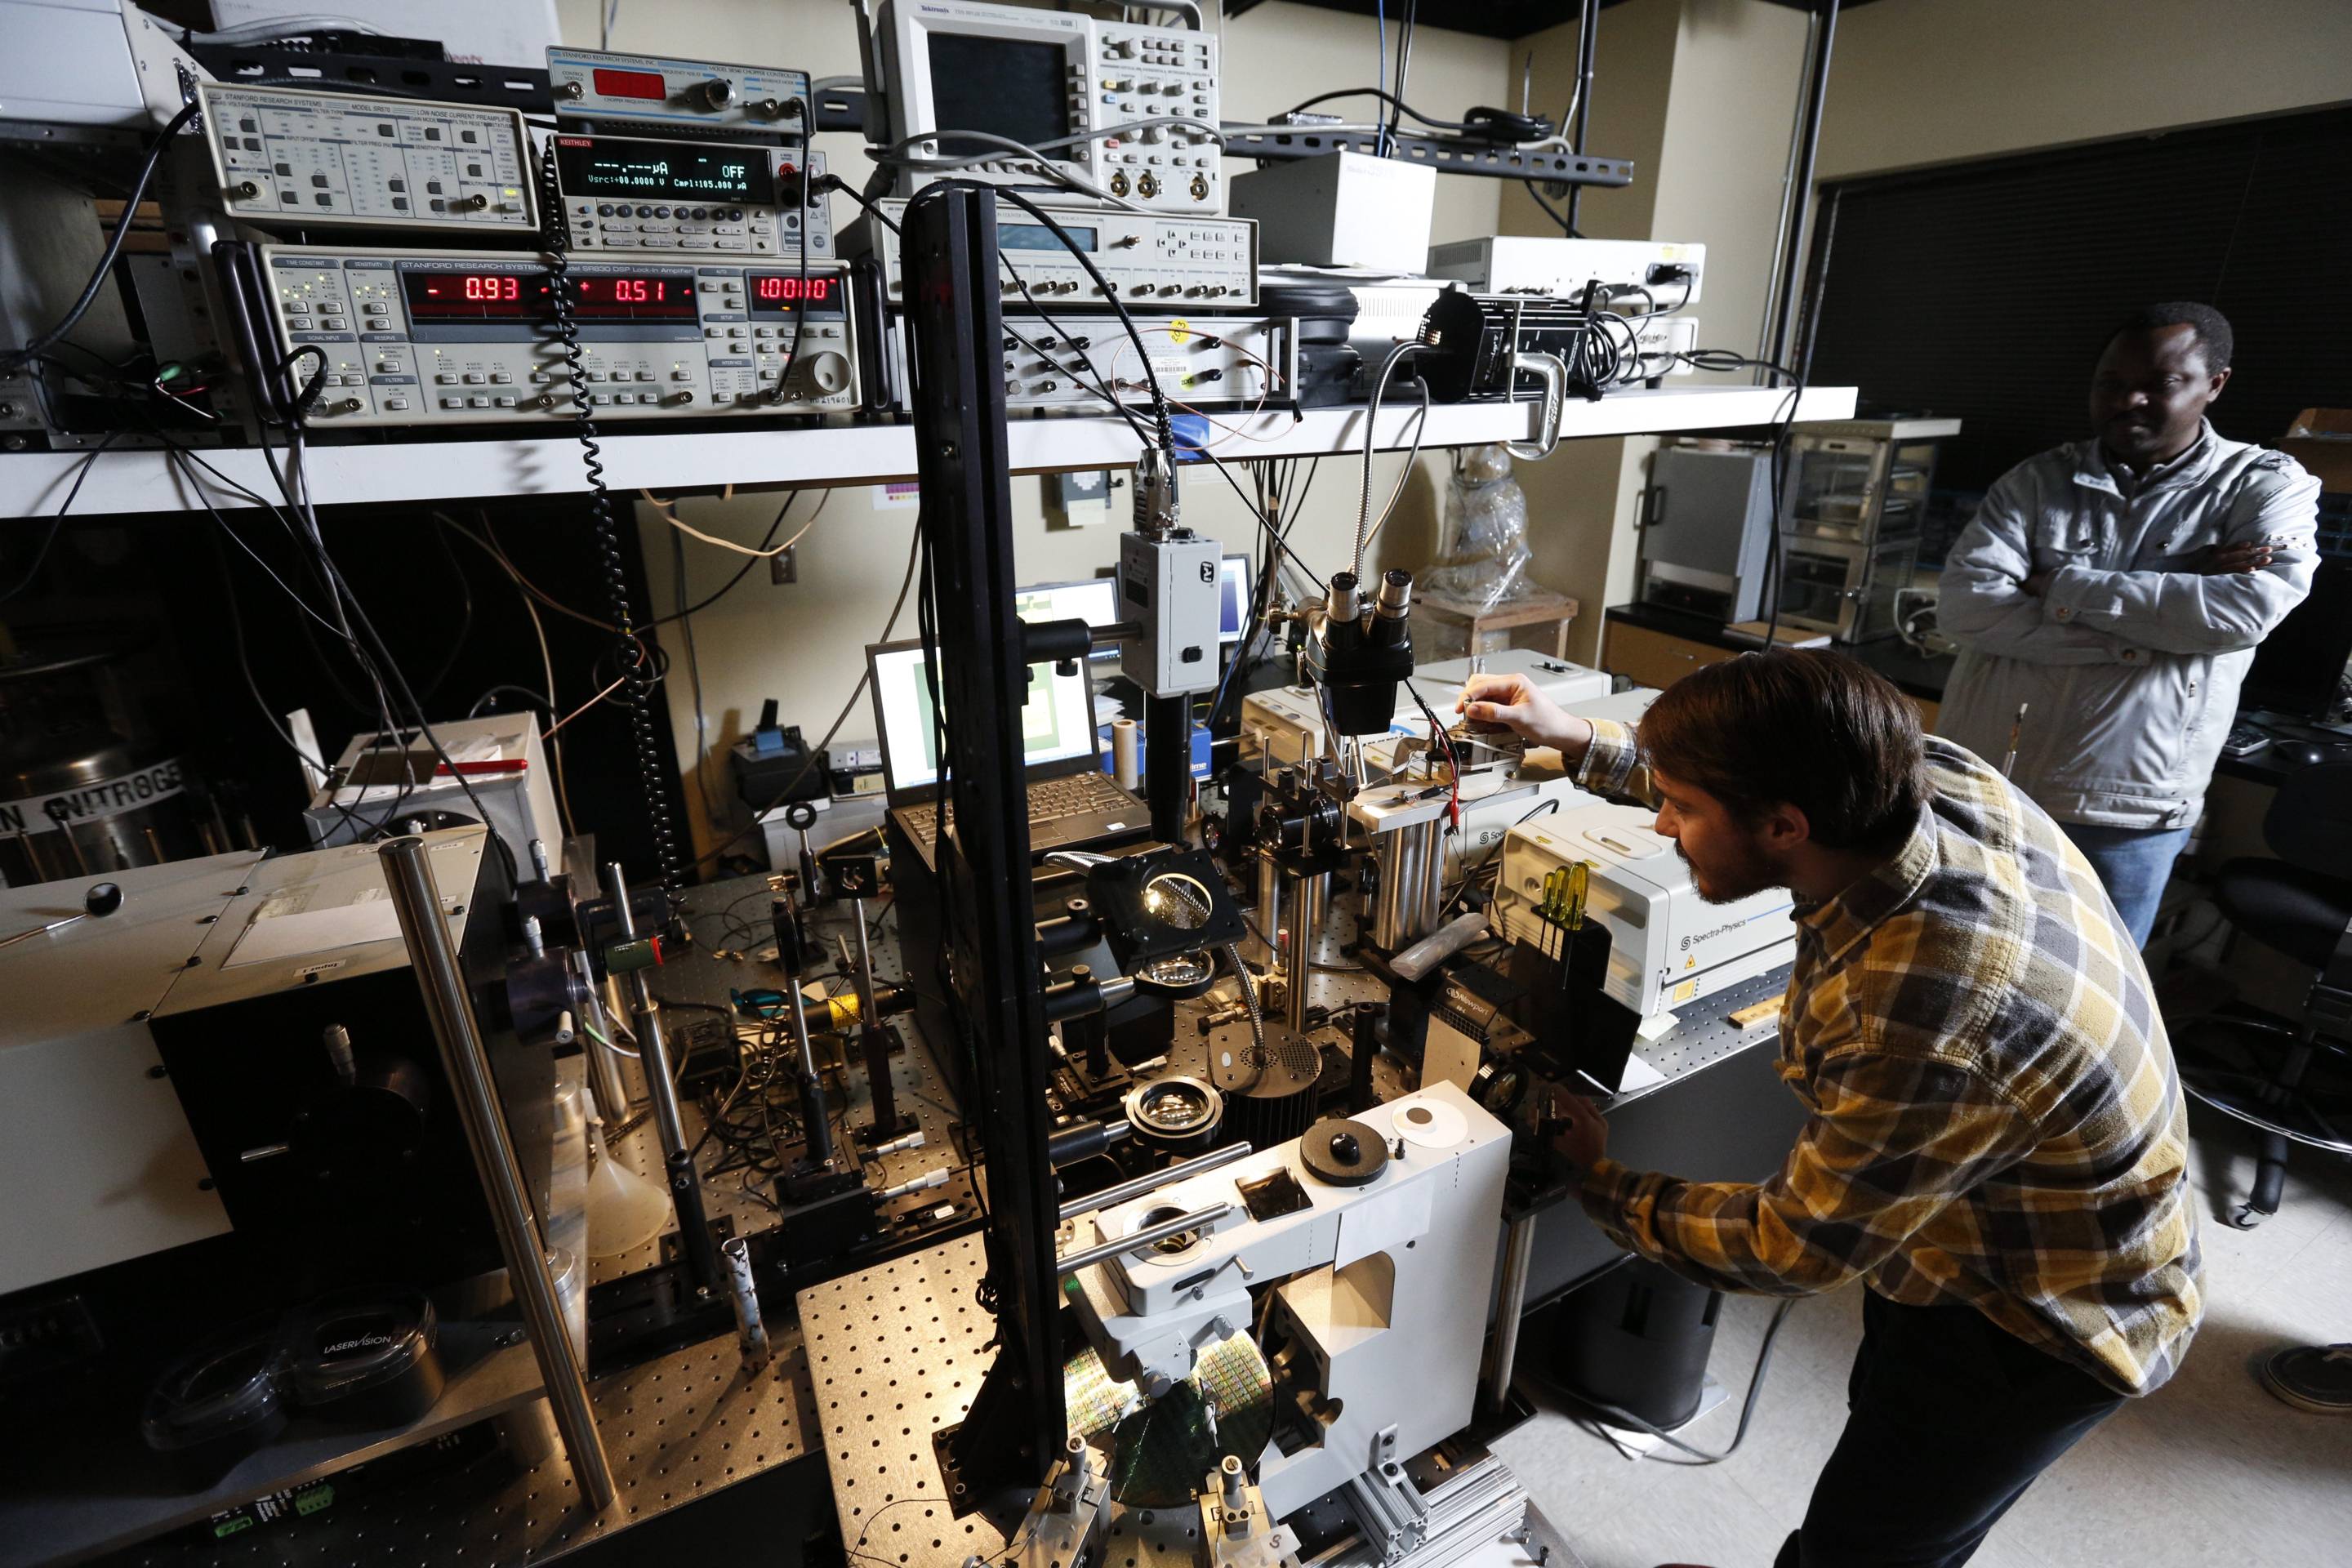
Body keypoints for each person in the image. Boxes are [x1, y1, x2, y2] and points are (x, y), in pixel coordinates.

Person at [1459, 650, 2202, 1568]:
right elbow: (1759, 769)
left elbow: (1791, 1246)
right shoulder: (1920, 781)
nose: (1663, 822)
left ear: (1784, 827)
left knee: (1877, 1542)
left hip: (2042, 1315)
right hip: (1959, 1234)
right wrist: (1576, 740)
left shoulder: (1927, 1012)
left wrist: (1602, 1181)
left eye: (1682, 811)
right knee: (1877, 1448)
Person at [1937, 301, 2319, 947]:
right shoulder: (2035, 482)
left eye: (2161, 384)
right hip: (1986, 788)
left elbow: (2241, 613)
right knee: (1949, 962)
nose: (2129, 400)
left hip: (2127, 812)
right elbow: (1966, 608)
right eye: (2111, 383)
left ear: (2214, 384)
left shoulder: (2265, 487)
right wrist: (2163, 616)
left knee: (2088, 1008)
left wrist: (2059, 585)